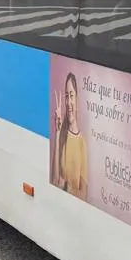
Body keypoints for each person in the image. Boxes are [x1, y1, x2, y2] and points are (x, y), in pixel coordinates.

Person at [57, 71, 88, 200]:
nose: (69, 102)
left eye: (72, 96)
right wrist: (58, 131)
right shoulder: (62, 135)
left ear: (77, 99)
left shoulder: (82, 144)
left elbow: (84, 193)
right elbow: (56, 180)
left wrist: (68, 188)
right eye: (66, 96)